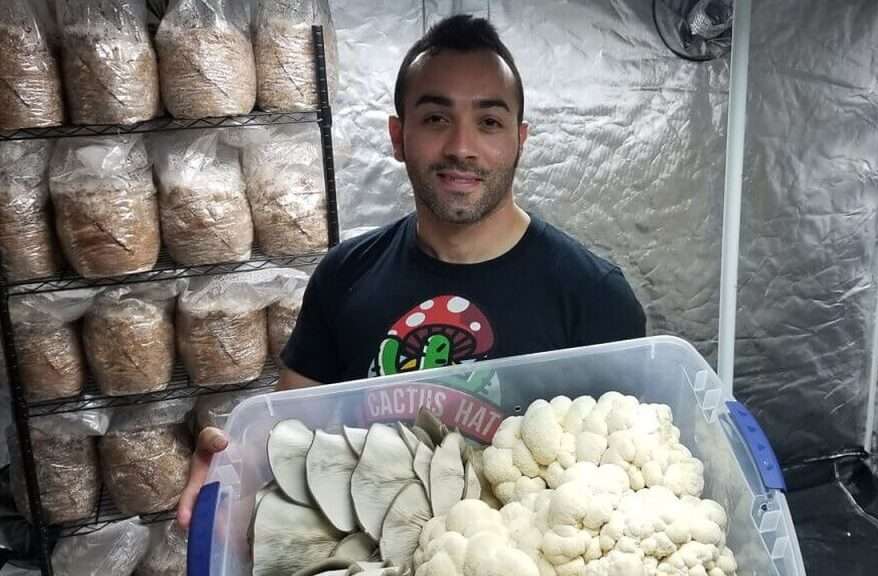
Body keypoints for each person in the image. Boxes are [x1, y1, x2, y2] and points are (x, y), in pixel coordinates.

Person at [176, 14, 646, 529]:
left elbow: (626, 483)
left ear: (520, 139)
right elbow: (289, 443)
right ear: (398, 137)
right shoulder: (343, 277)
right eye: (435, 119)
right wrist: (239, 476)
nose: (461, 147)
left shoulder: (594, 297)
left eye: (489, 122)